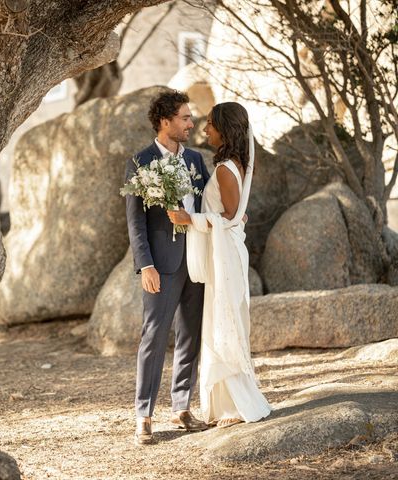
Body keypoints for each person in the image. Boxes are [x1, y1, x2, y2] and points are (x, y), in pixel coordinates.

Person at [167, 102, 271, 428]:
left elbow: (227, 218)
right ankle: (225, 403)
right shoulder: (232, 164)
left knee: (225, 321)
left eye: (211, 125)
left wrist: (189, 218)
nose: (205, 129)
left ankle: (235, 406)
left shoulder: (226, 168)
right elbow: (236, 214)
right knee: (220, 320)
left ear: (224, 129)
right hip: (221, 253)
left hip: (224, 255)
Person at [125, 90, 211, 445]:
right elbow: (135, 223)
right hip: (161, 265)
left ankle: (181, 406)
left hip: (196, 260)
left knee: (191, 335)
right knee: (154, 338)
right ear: (165, 122)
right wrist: (145, 265)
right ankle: (143, 415)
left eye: (190, 118)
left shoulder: (195, 160)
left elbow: (207, 205)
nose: (192, 124)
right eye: (185, 118)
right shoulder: (140, 162)